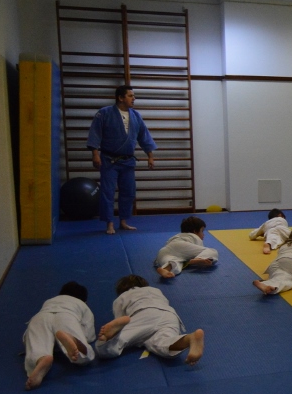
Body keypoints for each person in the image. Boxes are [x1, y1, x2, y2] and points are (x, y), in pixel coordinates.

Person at [87, 84, 157, 234]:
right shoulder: (104, 113)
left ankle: (123, 221)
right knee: (108, 192)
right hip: (109, 160)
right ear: (120, 98)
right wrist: (95, 154)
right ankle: (109, 223)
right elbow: (95, 134)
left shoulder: (136, 115)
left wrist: (150, 156)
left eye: (134, 96)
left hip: (128, 161)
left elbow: (144, 136)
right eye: (130, 96)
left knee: (128, 192)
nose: (134, 98)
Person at [96, 275, 204, 365]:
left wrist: (116, 330)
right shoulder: (156, 290)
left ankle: (107, 341)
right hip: (169, 315)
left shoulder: (121, 297)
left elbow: (121, 319)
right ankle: (188, 339)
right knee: (164, 344)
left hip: (142, 315)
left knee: (105, 349)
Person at [22, 281, 96, 390]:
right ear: (85, 301)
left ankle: (41, 358)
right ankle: (73, 340)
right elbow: (89, 333)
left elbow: (27, 337)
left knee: (35, 344)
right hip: (67, 317)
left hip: (41, 317)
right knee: (84, 354)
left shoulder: (49, 301)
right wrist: (84, 338)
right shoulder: (82, 305)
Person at [155, 216, 219, 279]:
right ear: (195, 231)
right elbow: (201, 251)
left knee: (177, 262)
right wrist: (202, 258)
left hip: (162, 252)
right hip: (181, 245)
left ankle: (165, 270)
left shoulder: (177, 236)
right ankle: (198, 258)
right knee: (212, 251)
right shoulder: (194, 236)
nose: (203, 234)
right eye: (202, 231)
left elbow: (171, 247)